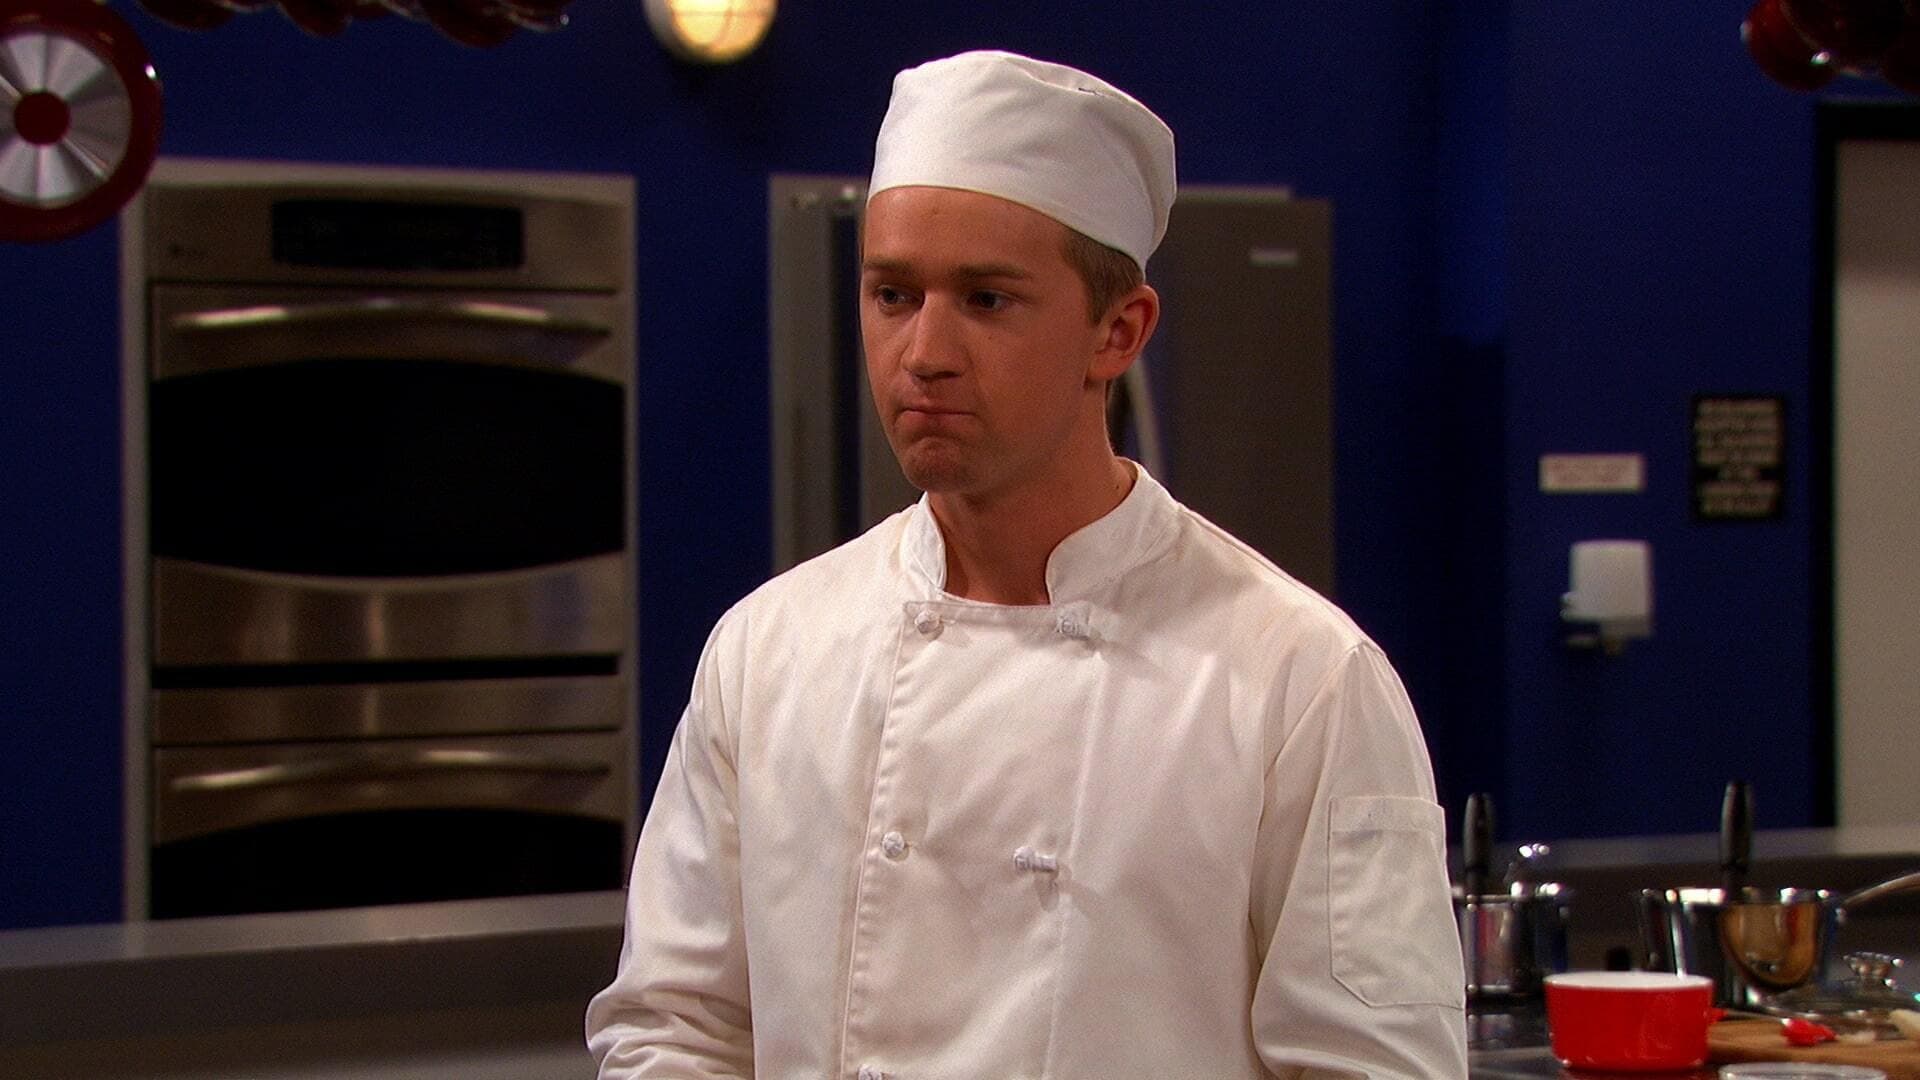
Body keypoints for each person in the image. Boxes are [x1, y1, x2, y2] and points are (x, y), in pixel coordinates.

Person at [587, 49, 1467, 1079]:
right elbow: (676, 1027)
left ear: (1118, 332)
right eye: (892, 294)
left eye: (987, 299)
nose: (924, 352)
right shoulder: (767, 652)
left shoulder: (1302, 682)